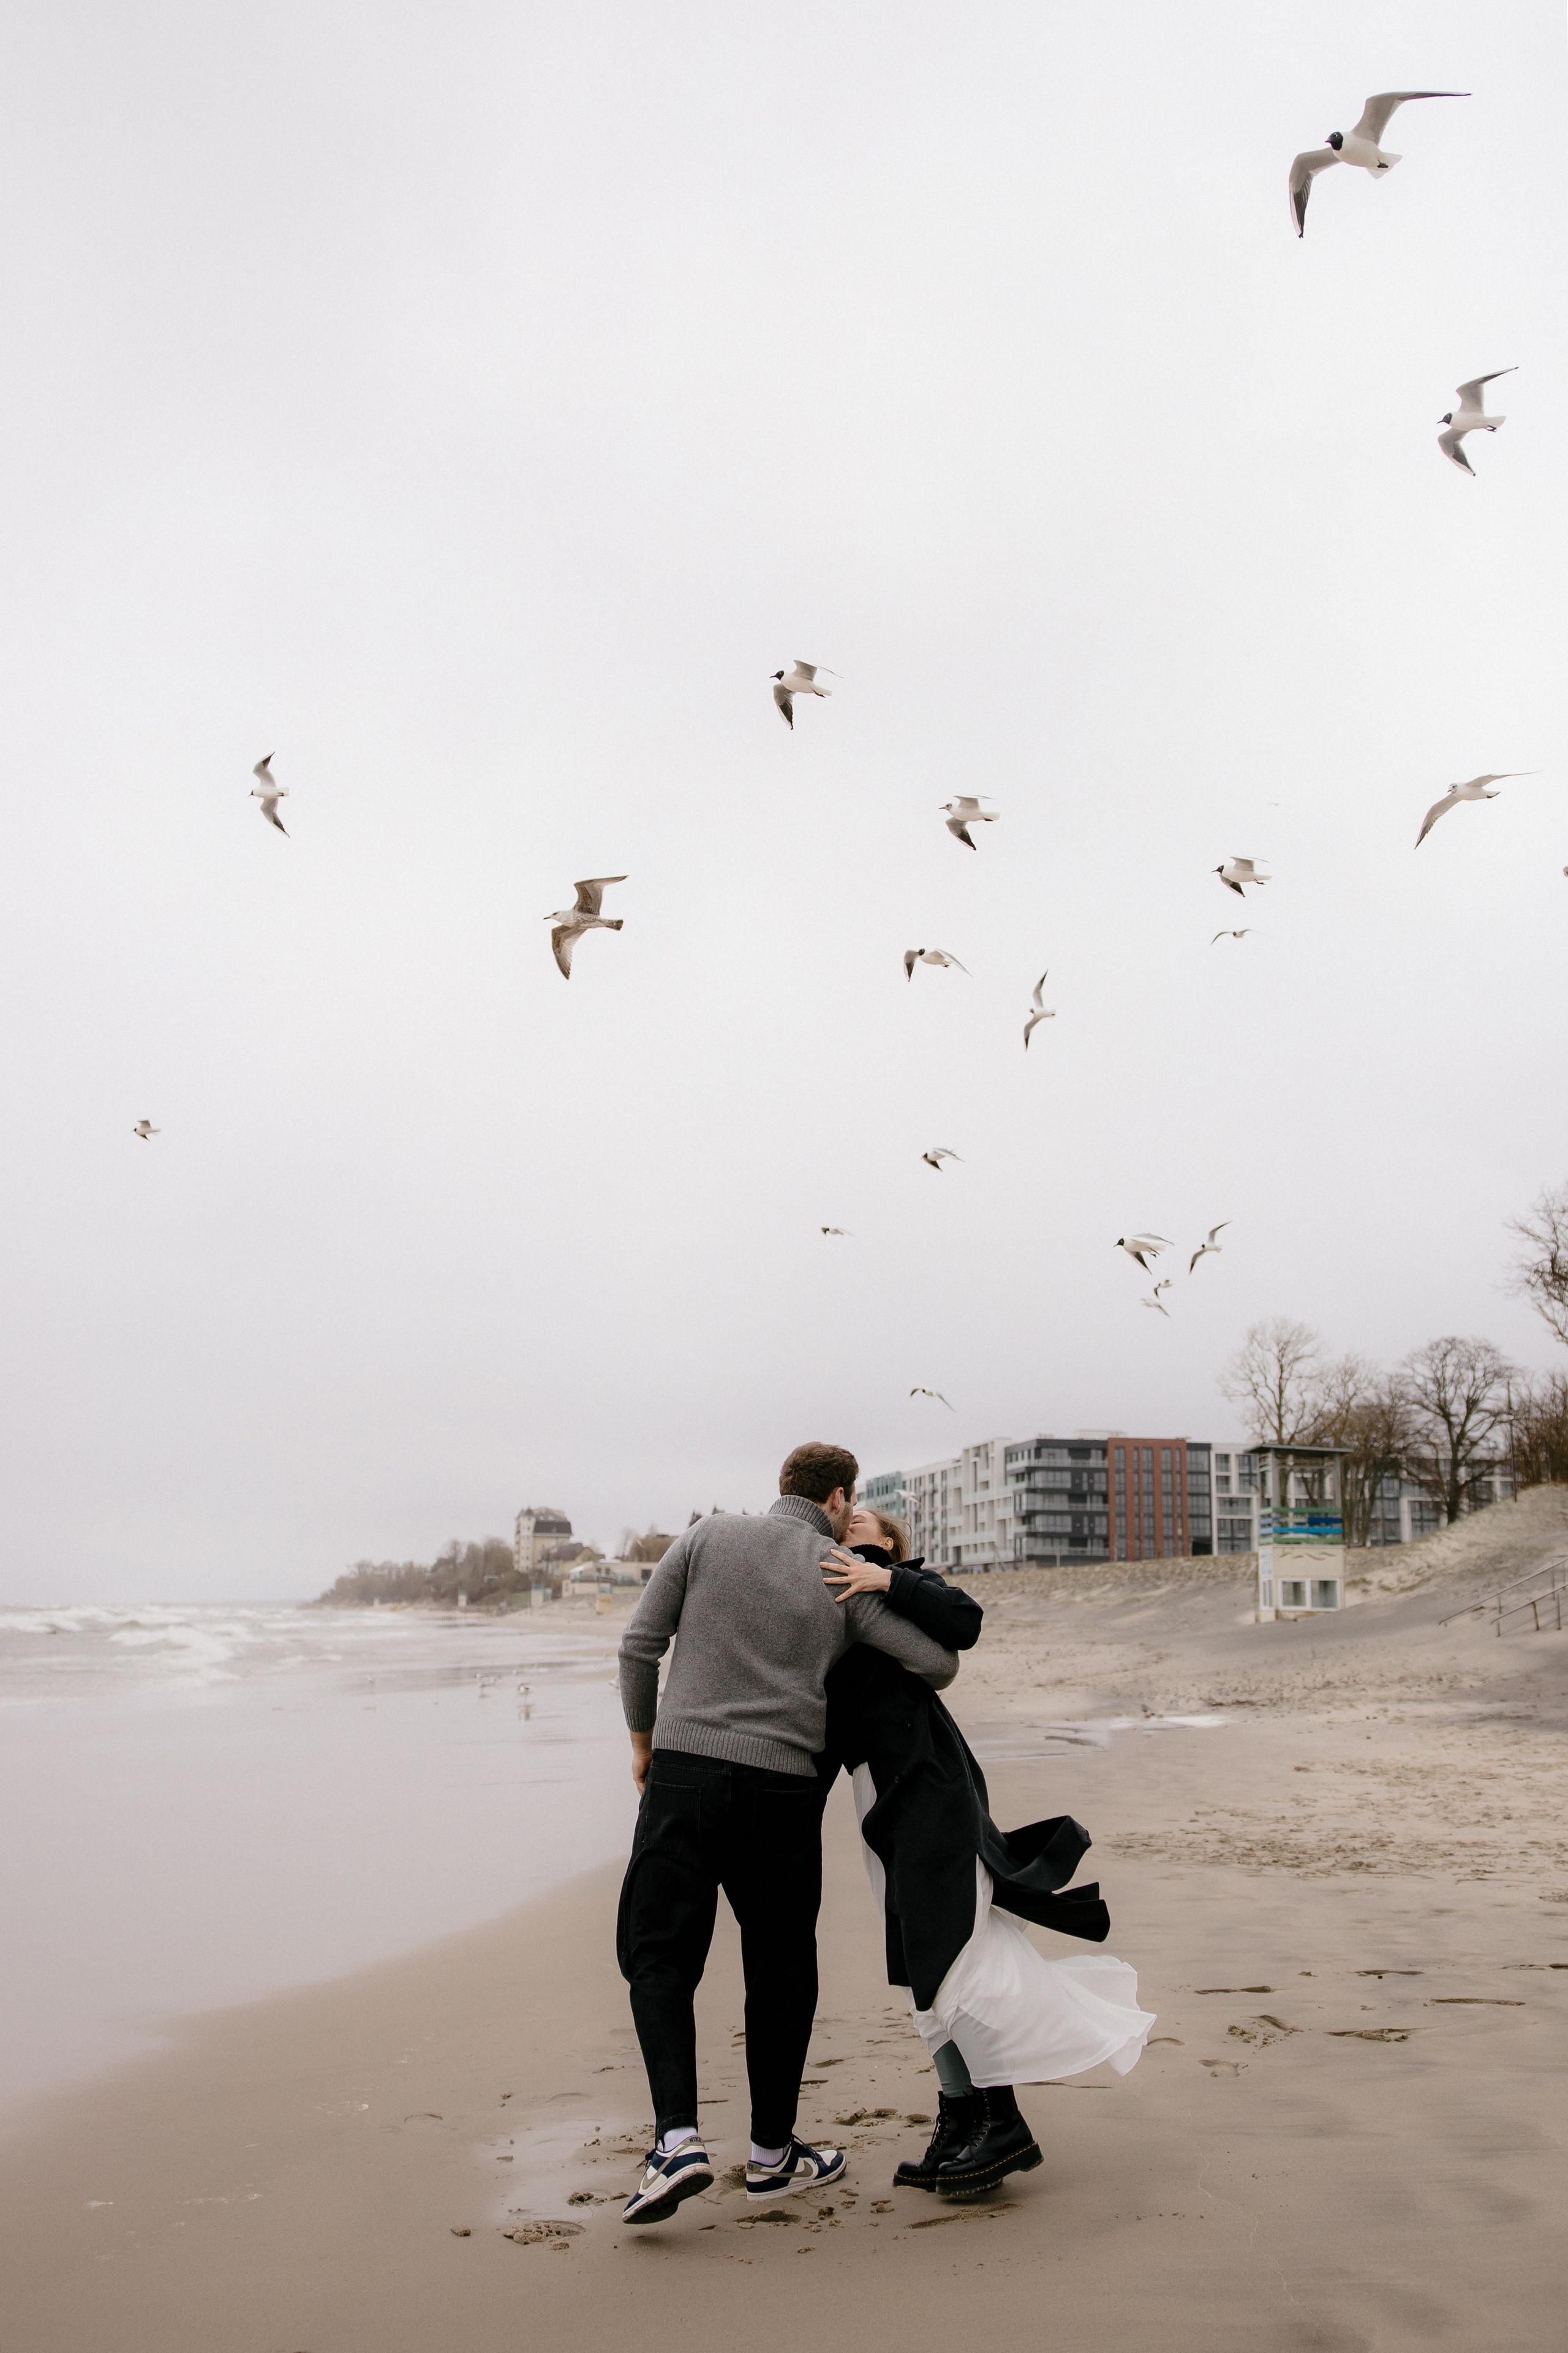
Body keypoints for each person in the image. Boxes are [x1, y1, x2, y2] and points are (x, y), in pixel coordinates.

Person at [614, 1443, 960, 2227]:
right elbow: (937, 1663)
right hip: (781, 1792)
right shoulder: (838, 1572)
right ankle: (771, 2155)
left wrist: (643, 1743)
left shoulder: (708, 1535)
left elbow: (638, 1645)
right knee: (780, 1968)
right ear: (837, 1498)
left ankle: (676, 2139)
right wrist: (880, 1582)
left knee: (659, 1952)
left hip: (684, 1774)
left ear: (784, 1488)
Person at [816, 1508, 1155, 2200]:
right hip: (877, 1797)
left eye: (862, 1522)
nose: (848, 1525)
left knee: (951, 1956)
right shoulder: (833, 1600)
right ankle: (961, 2116)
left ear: (888, 1543)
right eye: (844, 1520)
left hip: (930, 1792)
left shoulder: (902, 1586)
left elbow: (965, 1622)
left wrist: (885, 1579)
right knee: (916, 1967)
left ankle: (1003, 2121)